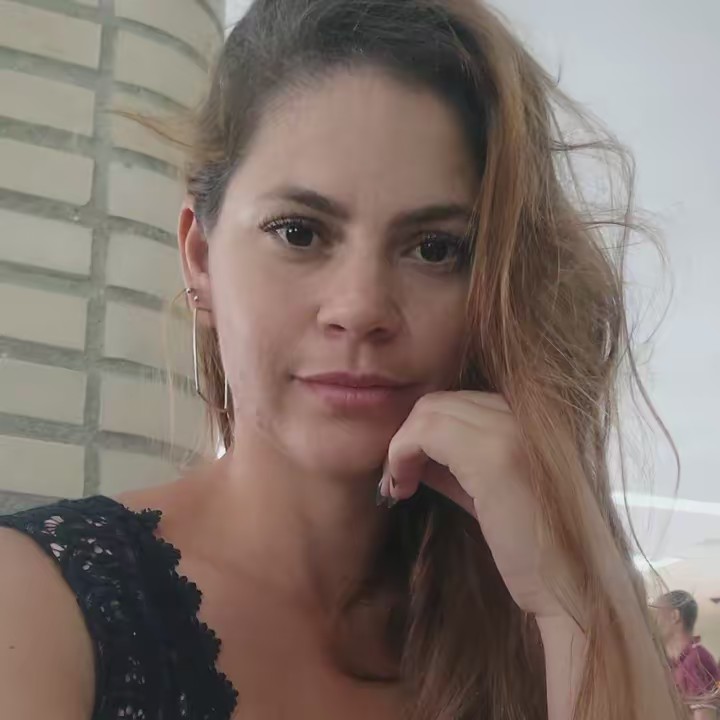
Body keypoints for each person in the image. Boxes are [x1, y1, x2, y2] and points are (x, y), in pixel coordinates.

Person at [0, 1, 686, 718]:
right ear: (199, 256)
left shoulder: (531, 623)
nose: (361, 308)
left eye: (434, 249)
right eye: (299, 232)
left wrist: (579, 596)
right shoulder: (37, 607)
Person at [654, 591, 720, 719]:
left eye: (657, 614)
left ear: (674, 616)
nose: (654, 622)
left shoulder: (695, 660)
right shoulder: (674, 663)